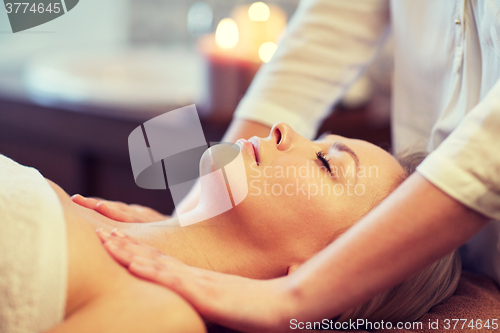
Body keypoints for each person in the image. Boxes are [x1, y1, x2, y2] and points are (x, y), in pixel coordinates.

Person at [73, 0, 499, 332]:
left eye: (326, 165)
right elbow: (320, 40)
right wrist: (186, 218)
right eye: (319, 142)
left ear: (326, 266)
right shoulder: (93, 226)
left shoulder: (158, 314)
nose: (284, 130)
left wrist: (293, 300)